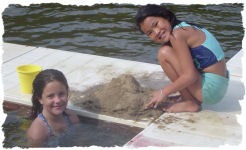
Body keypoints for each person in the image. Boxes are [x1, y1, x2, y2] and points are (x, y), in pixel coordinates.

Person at [135, 4, 229, 113]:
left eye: (156, 24)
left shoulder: (178, 34)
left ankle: (191, 103)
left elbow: (190, 76)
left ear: (166, 16)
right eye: (150, 32)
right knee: (167, 49)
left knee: (164, 53)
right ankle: (188, 97)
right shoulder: (183, 27)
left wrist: (164, 92)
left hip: (211, 90)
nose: (156, 32)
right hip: (220, 85)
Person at [27, 69, 79, 147]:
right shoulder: (38, 133)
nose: (57, 100)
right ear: (40, 99)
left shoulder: (72, 117)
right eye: (50, 96)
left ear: (67, 92)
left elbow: (80, 143)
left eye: (61, 94)